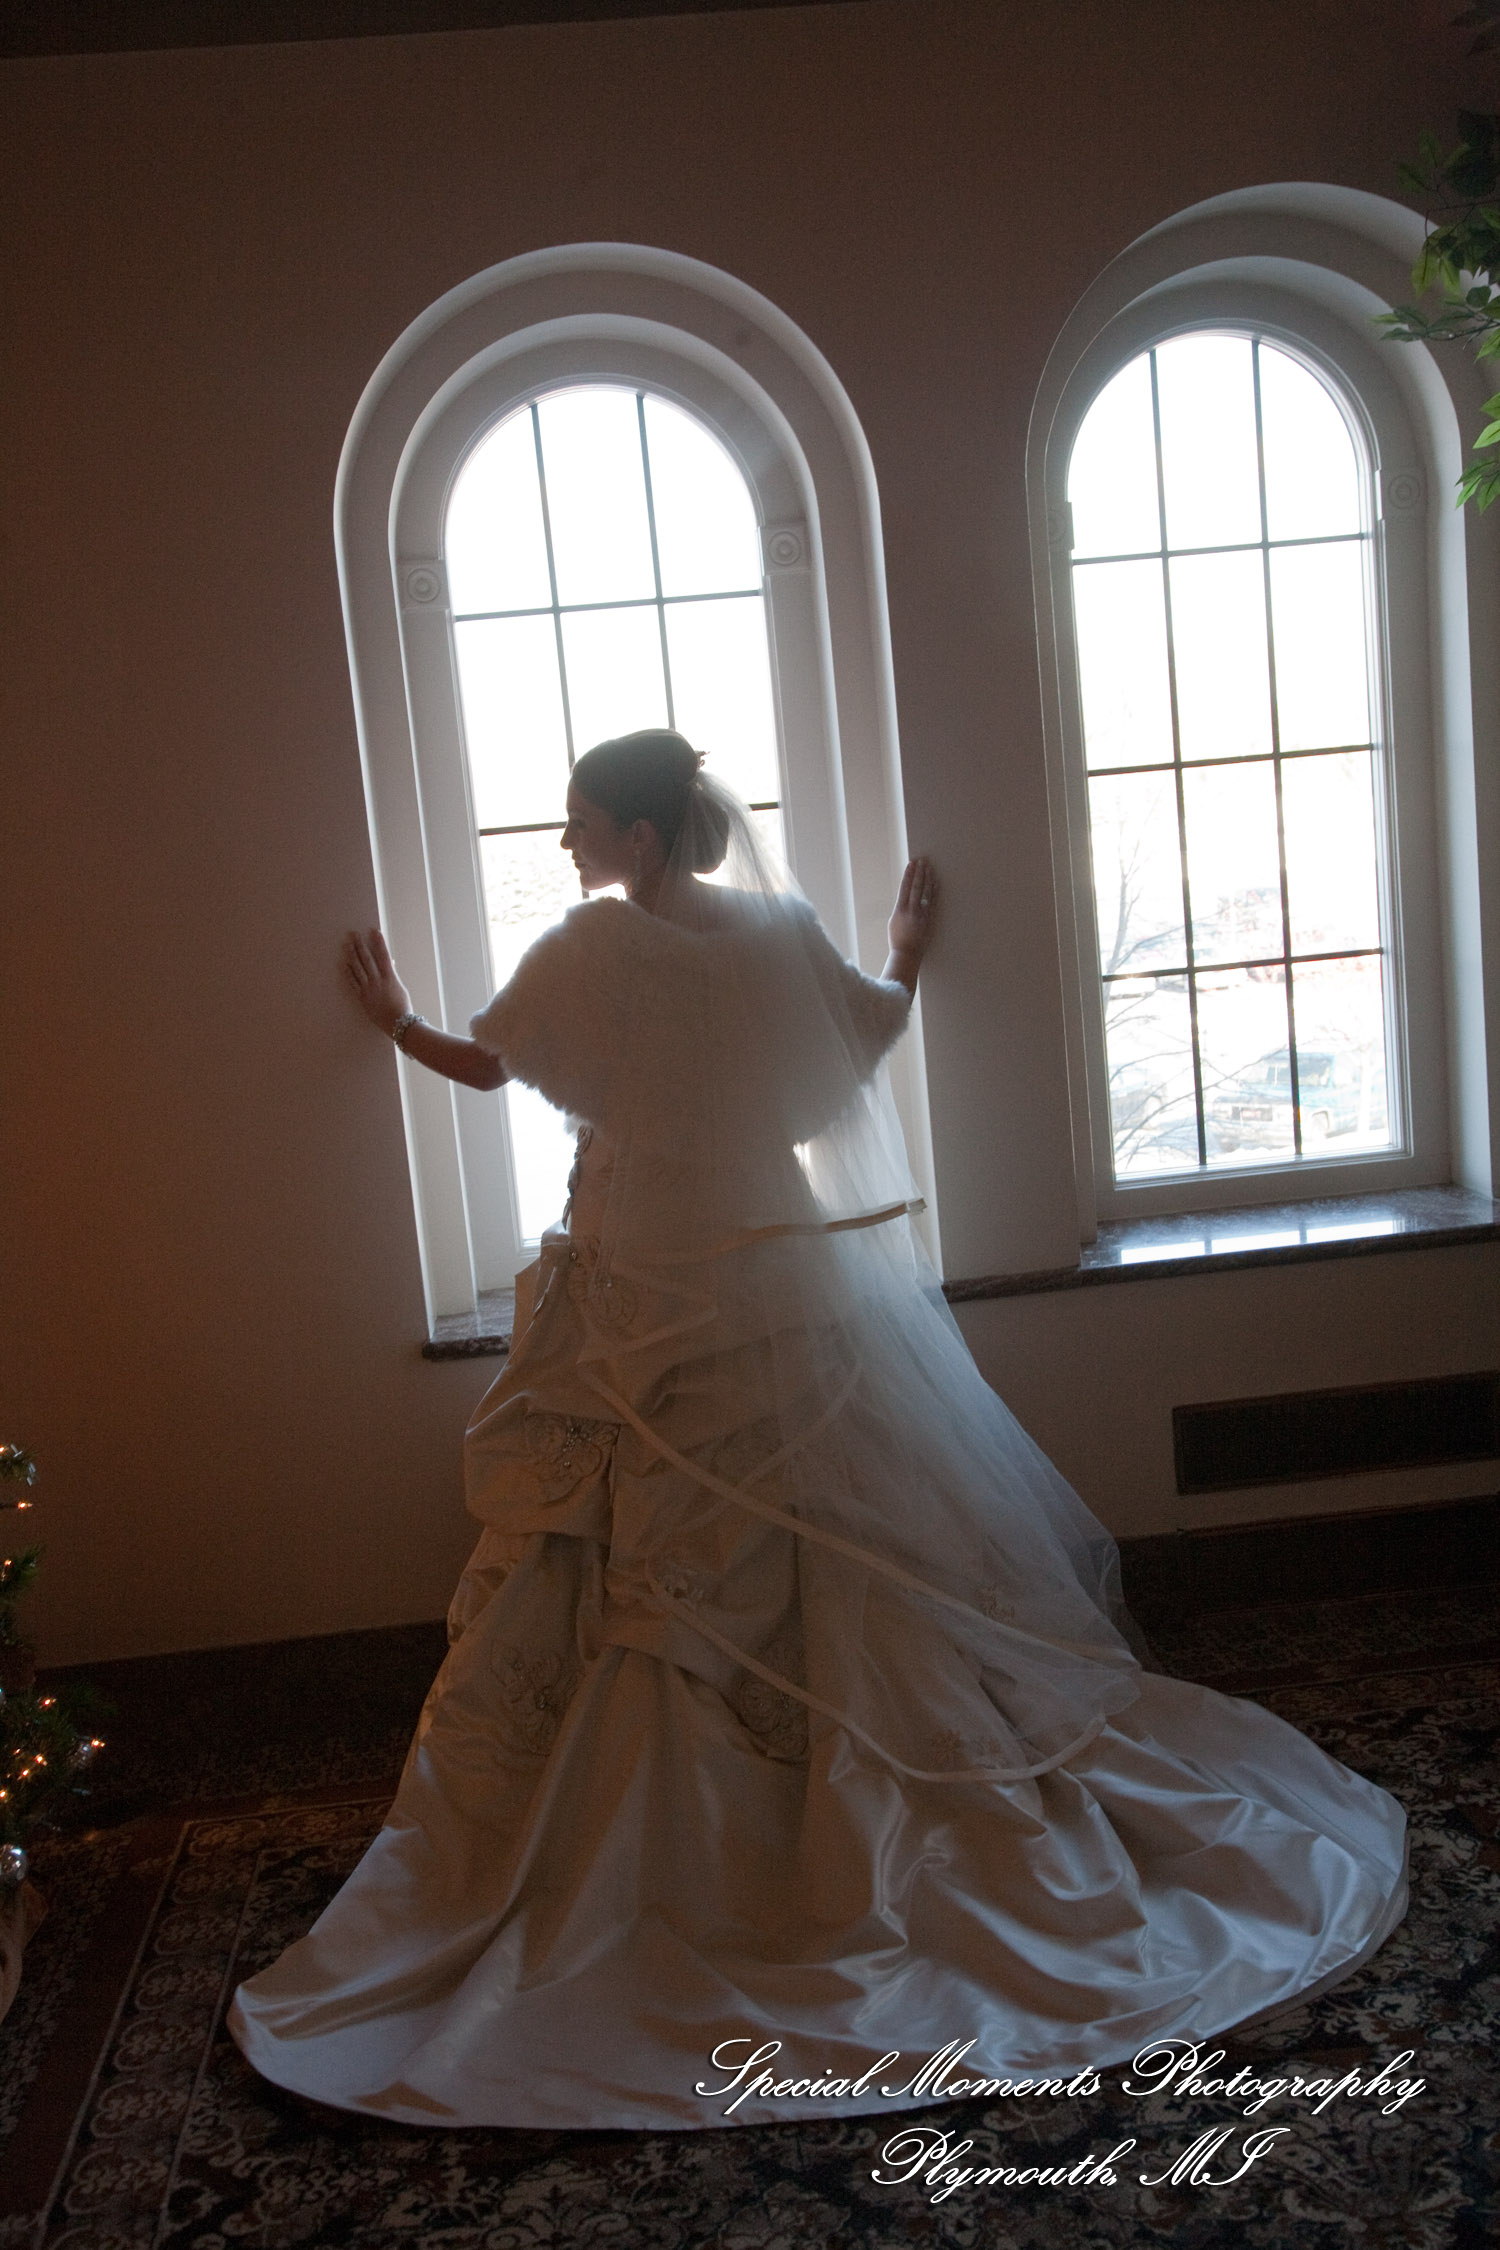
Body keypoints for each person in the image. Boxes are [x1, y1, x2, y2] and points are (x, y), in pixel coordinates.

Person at [229, 729, 1407, 2132]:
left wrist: (393, 1020)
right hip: (773, 1270)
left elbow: (488, 1070)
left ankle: (668, 1866)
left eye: (583, 821)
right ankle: (819, 1836)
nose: (566, 844)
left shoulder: (591, 952)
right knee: (837, 1539)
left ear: (645, 843)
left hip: (643, 1279)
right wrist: (904, 950)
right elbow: (869, 1031)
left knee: (646, 1566)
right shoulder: (779, 934)